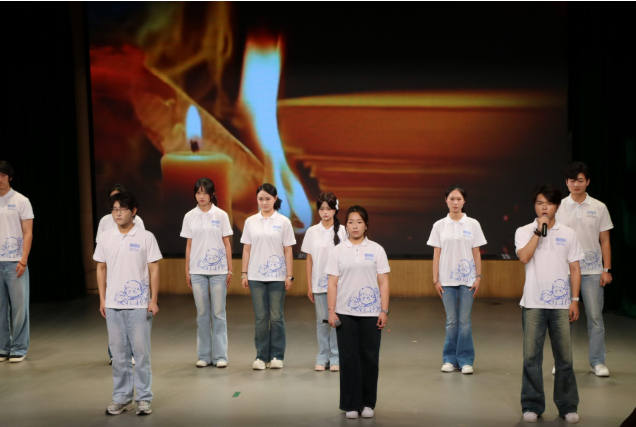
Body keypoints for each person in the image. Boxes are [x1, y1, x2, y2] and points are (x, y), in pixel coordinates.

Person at [515, 185, 583, 424]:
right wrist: (538, 231)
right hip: (533, 303)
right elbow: (524, 257)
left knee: (565, 359)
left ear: (557, 206)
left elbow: (575, 268)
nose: (544, 207)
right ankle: (531, 405)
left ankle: (568, 406)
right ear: (534, 206)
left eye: (549, 203)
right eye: (539, 203)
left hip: (561, 305)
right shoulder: (524, 231)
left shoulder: (568, 233)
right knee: (531, 358)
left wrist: (575, 300)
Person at [94, 192, 162, 416]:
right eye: (114, 209)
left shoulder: (146, 237)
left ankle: (143, 398)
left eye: (122, 209)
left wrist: (153, 300)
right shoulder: (105, 237)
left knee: (141, 354)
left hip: (139, 305)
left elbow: (154, 269)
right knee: (118, 355)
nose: (117, 213)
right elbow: (100, 267)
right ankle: (121, 398)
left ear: (133, 211)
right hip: (113, 304)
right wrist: (103, 299)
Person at [326, 205, 390, 419]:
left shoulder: (377, 249)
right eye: (351, 222)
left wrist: (384, 310)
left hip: (371, 313)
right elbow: (332, 283)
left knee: (370, 358)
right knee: (348, 358)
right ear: (346, 225)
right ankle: (351, 404)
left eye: (359, 222)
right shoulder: (338, 251)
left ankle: (368, 403)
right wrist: (331, 311)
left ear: (366, 225)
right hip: (344, 312)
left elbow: (383, 282)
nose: (355, 226)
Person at [556, 162, 613, 377]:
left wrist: (606, 269)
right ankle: (562, 362)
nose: (576, 184)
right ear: (566, 182)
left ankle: (597, 362)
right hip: (564, 271)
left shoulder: (599, 207)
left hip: (592, 271)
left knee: (595, 317)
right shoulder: (558, 207)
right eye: (572, 180)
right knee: (563, 319)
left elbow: (605, 240)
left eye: (580, 180)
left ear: (587, 181)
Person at [427, 185, 486, 374]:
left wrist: (478, 277)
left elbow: (476, 252)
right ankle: (449, 360)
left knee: (464, 322)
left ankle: (466, 360)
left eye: (459, 199)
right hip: (446, 280)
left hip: (468, 280)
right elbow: (436, 253)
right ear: (446, 200)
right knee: (451, 322)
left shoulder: (473, 224)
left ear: (464, 201)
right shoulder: (439, 225)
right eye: (452, 198)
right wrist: (435, 279)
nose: (455, 202)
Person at [240, 183, 295, 370]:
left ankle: (277, 356)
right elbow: (246, 249)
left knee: (276, 317)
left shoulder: (284, 222)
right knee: (261, 318)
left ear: (275, 199)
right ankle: (261, 356)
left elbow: (288, 250)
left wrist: (289, 275)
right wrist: (244, 273)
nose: (264, 202)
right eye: (260, 199)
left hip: (277, 277)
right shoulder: (250, 221)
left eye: (267, 199)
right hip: (255, 277)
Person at [181, 178, 233, 368]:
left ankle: (220, 356)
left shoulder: (221, 215)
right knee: (202, 314)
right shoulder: (189, 216)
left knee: (218, 313)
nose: (201, 196)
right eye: (198, 192)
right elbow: (189, 245)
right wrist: (187, 270)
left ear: (212, 194)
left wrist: (229, 268)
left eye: (205, 192)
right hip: (197, 271)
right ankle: (204, 355)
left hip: (219, 271)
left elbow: (227, 243)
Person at [97, 184, 144, 365]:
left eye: (121, 205)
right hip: (113, 274)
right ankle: (114, 354)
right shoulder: (104, 222)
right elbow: (101, 254)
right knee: (114, 319)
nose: (117, 211)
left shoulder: (138, 222)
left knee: (132, 322)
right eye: (113, 204)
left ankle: (131, 353)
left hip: (132, 276)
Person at [301, 192, 346, 372]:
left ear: (335, 209)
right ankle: (322, 356)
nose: (325, 212)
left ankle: (336, 357)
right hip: (319, 283)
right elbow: (309, 260)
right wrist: (309, 285)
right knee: (322, 321)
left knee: (336, 321)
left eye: (329, 208)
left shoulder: (343, 231)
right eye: (322, 209)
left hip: (340, 285)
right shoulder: (312, 231)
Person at [0, 161, 33, 364]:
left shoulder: (21, 200)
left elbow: (28, 232)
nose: (0, 179)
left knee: (19, 307)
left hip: (15, 262)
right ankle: (3, 347)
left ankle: (19, 347)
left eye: (3, 175)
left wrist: (23, 259)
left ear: (10, 178)